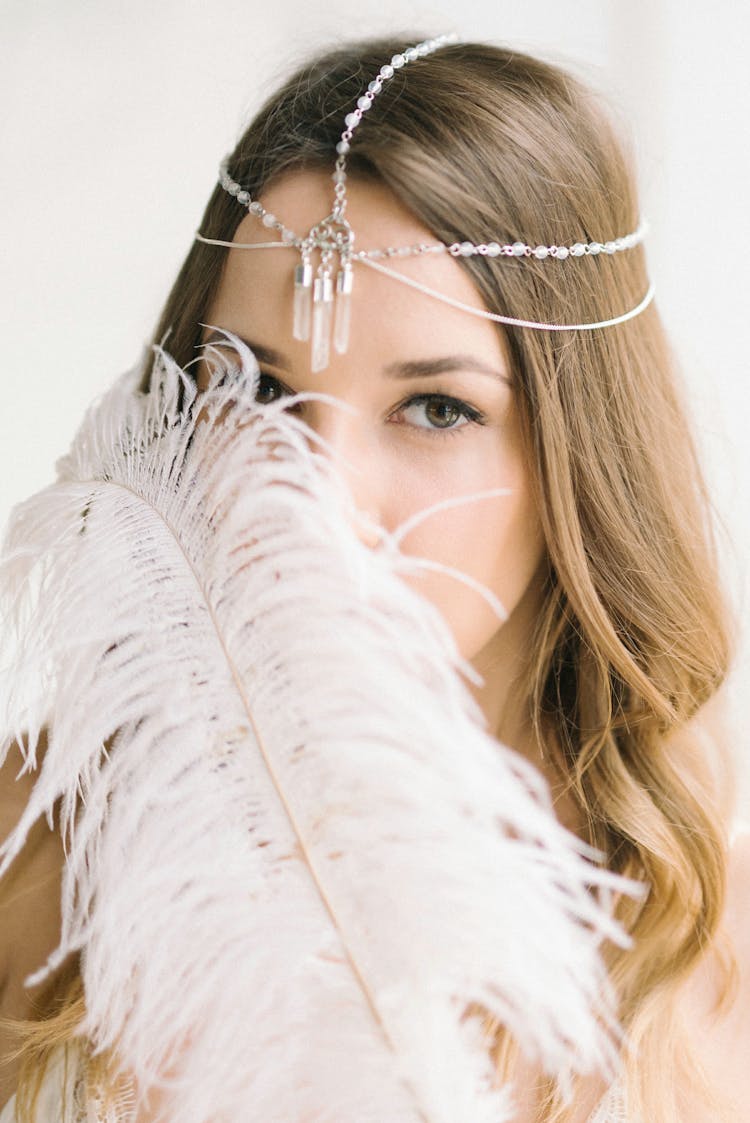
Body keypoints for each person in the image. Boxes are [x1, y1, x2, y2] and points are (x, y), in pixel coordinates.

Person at [1, 31, 747, 1123]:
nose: (315, 498)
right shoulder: (37, 846)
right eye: (254, 392)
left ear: (578, 458)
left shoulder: (709, 934)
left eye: (437, 409)